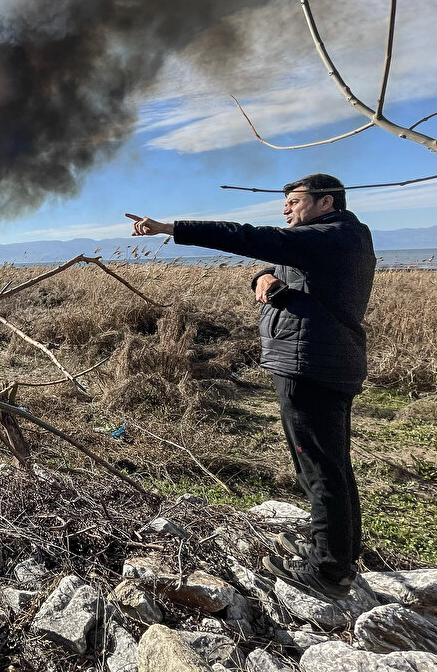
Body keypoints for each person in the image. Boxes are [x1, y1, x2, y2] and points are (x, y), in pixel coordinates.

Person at [125, 173, 375, 601]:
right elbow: (278, 264)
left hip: (309, 365)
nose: (285, 209)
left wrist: (169, 228)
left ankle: (329, 572)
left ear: (325, 202)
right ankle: (336, 554)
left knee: (318, 467)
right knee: (330, 463)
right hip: (320, 361)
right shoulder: (336, 236)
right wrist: (261, 278)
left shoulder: (330, 236)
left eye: (294, 201)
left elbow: (247, 237)